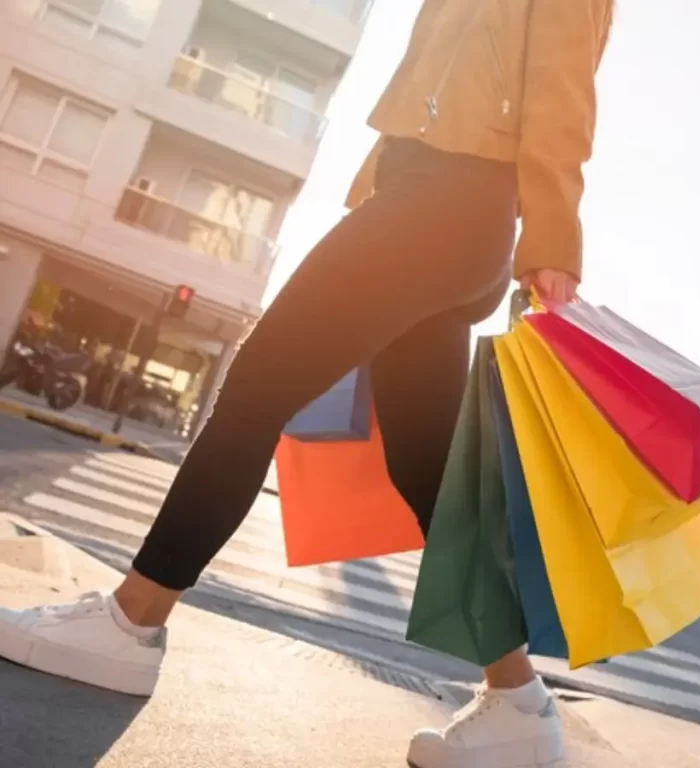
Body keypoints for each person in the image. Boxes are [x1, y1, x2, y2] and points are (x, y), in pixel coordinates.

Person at [0, 1, 614, 766]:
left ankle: (130, 622)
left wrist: (554, 236)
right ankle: (519, 704)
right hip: (434, 201)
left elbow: (564, 84)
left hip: (447, 204)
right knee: (426, 470)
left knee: (256, 389)